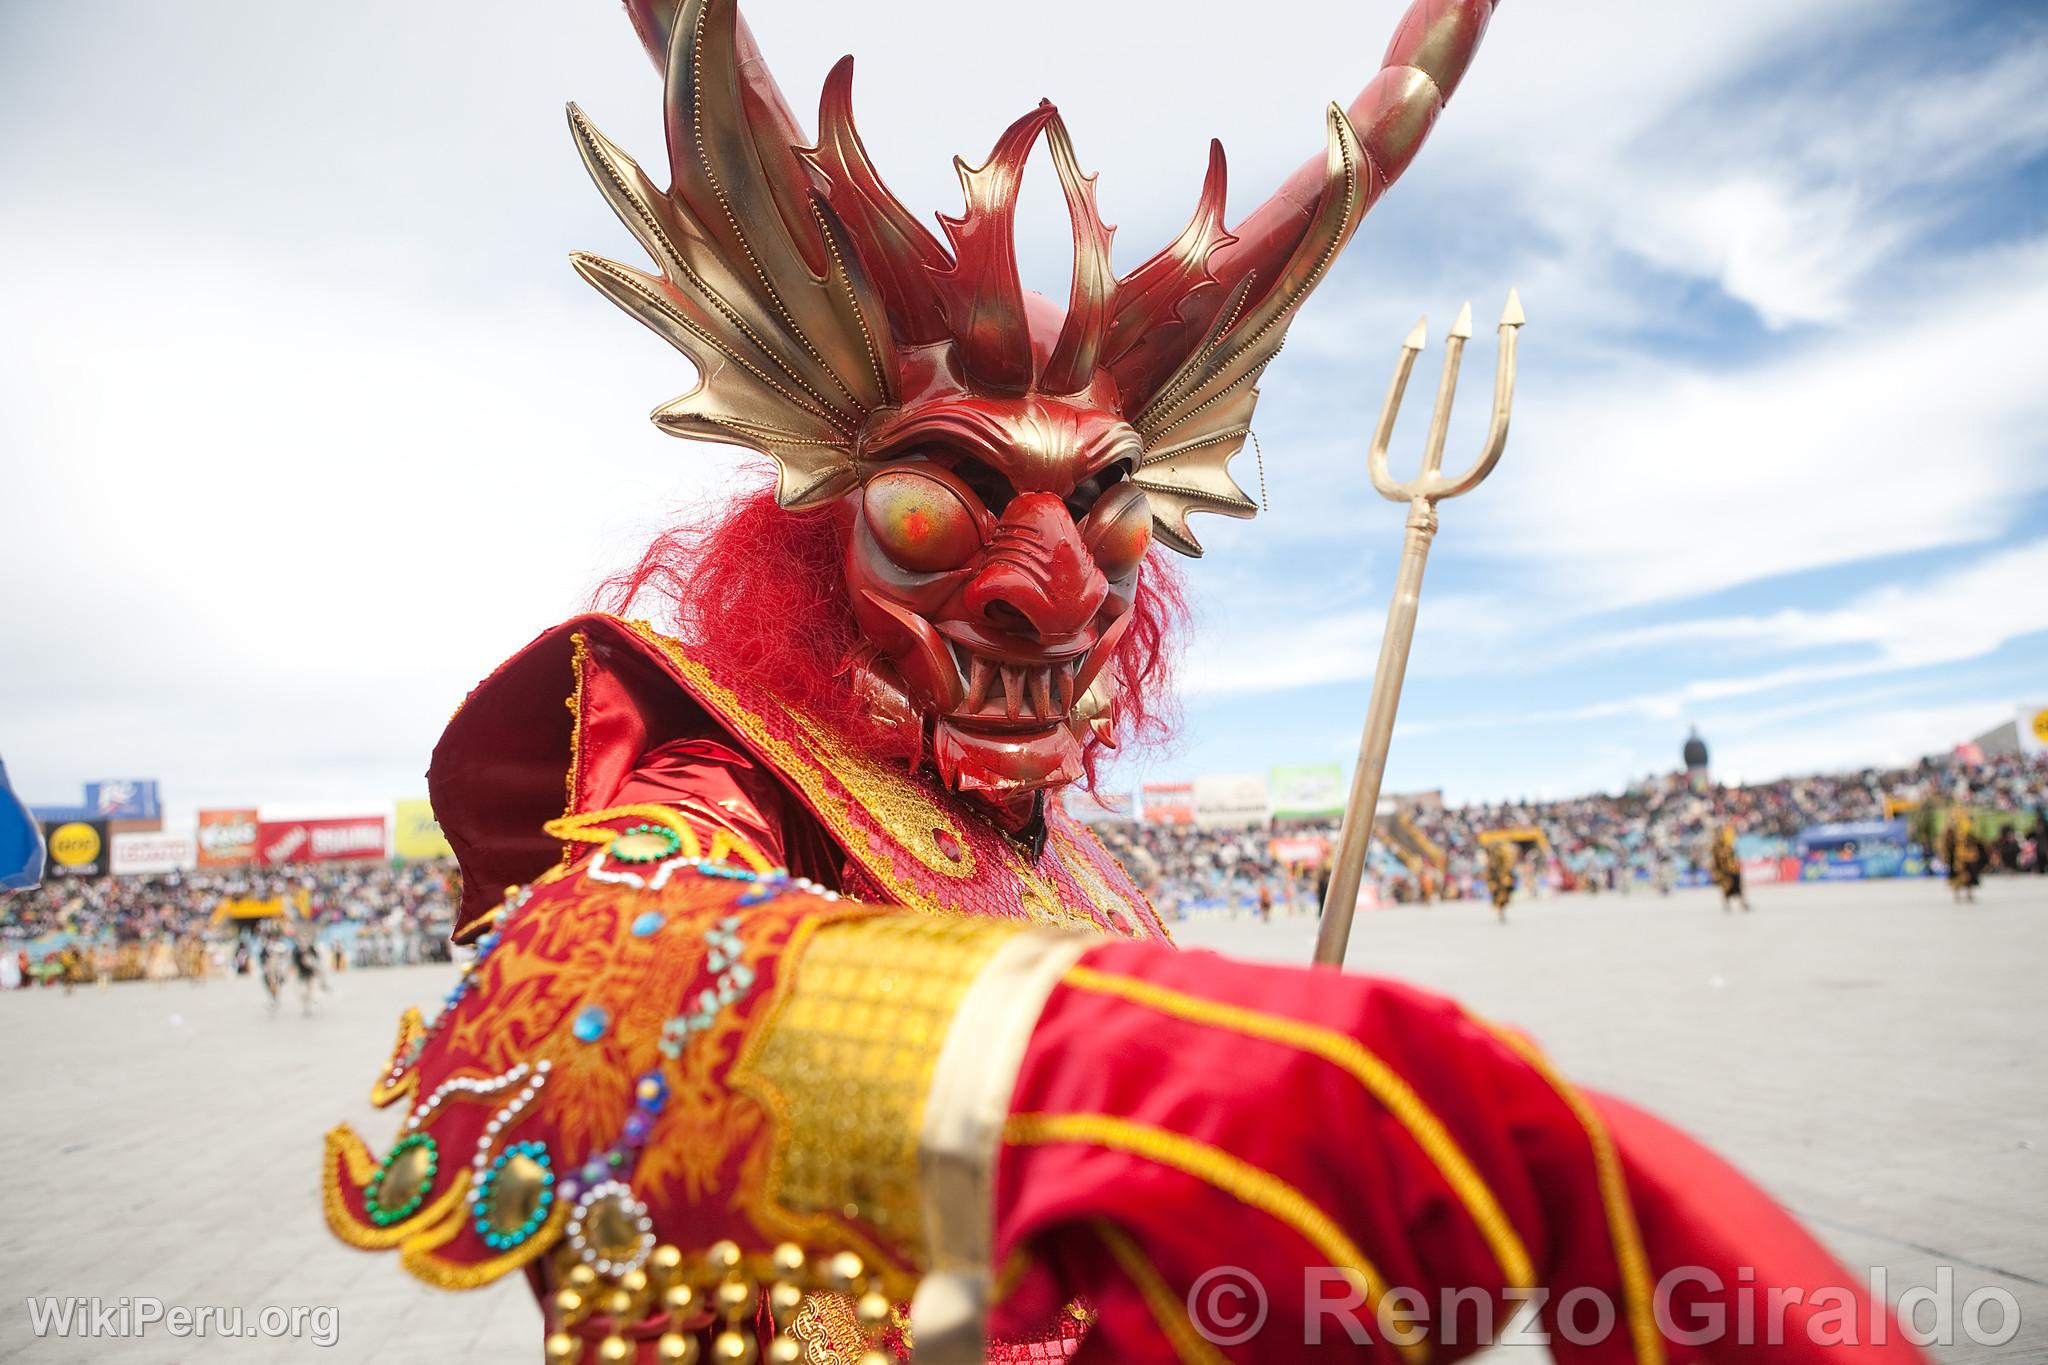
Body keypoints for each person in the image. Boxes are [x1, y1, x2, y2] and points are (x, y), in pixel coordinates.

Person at [321, 4, 1926, 1363]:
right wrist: (1123, 1080)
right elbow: (584, 976)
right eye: (942, 505)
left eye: (1108, 512)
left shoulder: (1086, 867)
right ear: (825, 514)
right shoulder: (734, 773)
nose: (1052, 585)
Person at [1939, 813, 1985, 905]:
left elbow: (1975, 843)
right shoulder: (1950, 833)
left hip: (1967, 858)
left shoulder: (1968, 832)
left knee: (1969, 876)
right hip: (1956, 859)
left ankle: (1969, 894)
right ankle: (1957, 894)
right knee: (1956, 876)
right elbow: (1946, 845)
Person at [1710, 825, 1751, 912]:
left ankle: (1743, 903)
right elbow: (1715, 861)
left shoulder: (1728, 843)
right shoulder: (1715, 847)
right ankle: (1727, 905)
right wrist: (1716, 871)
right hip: (1724, 871)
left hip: (1734, 869)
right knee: (1726, 888)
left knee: (1738, 887)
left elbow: (1734, 855)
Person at [1484, 840, 1516, 923]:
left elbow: (1509, 868)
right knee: (1498, 897)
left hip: (1502, 879)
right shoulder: (1492, 860)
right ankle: (1500, 912)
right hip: (1497, 879)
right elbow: (1489, 871)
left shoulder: (1504, 857)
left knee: (1503, 897)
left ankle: (1501, 911)